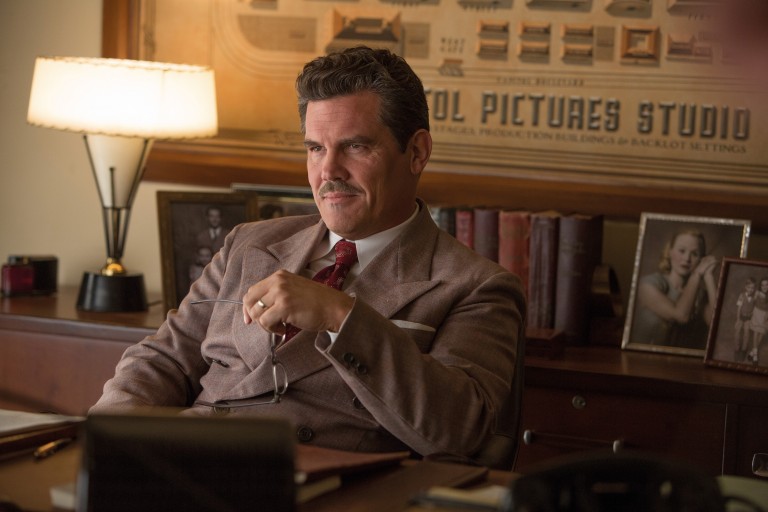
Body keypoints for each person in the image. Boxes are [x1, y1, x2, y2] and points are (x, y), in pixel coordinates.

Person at [91, 46, 525, 461]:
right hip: (182, 464)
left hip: (322, 486)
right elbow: (162, 360)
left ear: (416, 152)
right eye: (315, 148)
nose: (328, 171)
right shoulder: (248, 243)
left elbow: (460, 431)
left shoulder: (475, 287)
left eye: (355, 146)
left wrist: (341, 315)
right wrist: (109, 442)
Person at [631, 229, 718, 349]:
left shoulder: (700, 295)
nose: (687, 259)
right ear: (670, 252)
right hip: (643, 357)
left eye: (694, 254)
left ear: (701, 259)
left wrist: (708, 276)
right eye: (682, 251)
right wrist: (696, 274)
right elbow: (681, 315)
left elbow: (716, 326)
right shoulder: (648, 284)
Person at [733, 277, 756, 362]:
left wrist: (752, 316)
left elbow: (754, 308)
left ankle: (743, 350)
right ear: (746, 287)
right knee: (737, 333)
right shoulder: (742, 295)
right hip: (741, 317)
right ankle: (736, 349)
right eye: (749, 287)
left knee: (747, 334)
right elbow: (739, 308)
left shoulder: (754, 297)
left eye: (752, 288)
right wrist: (738, 319)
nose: (750, 289)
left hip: (748, 318)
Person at [746, 277, 768, 365]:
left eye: (766, 285)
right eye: (762, 285)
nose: (764, 287)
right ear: (760, 286)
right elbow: (752, 301)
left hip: (765, 315)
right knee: (756, 333)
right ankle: (755, 355)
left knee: (761, 333)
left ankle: (752, 352)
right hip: (756, 313)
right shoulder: (757, 293)